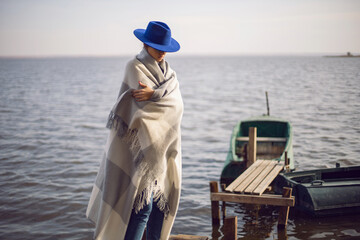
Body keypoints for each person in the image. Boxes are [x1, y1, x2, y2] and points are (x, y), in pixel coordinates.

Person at [86, 21, 183, 240]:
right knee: (142, 208)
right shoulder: (134, 67)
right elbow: (137, 112)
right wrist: (154, 99)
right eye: (157, 47)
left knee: (161, 207)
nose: (161, 53)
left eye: (165, 48)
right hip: (136, 151)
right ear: (145, 44)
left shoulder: (170, 76)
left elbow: (177, 107)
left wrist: (155, 95)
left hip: (163, 149)